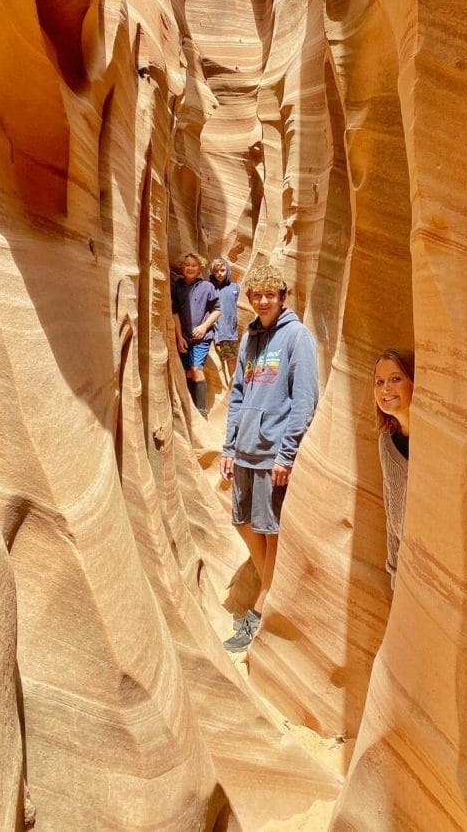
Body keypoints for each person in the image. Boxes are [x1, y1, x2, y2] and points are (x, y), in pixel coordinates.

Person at [219, 264, 318, 653]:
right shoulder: (250, 337)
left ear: (282, 296)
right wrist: (229, 446)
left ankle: (260, 610)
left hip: (272, 453)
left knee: (271, 532)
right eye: (256, 295)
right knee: (243, 522)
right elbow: (238, 394)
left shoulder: (297, 337)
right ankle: (271, 589)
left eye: (269, 294)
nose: (262, 300)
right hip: (244, 450)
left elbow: (305, 399)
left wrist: (287, 454)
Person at [373, 349, 415, 590]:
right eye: (380, 382)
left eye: (396, 379)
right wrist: (394, 570)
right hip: (405, 567)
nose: (386, 389)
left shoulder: (436, 442)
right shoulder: (386, 443)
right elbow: (391, 510)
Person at [172, 252, 220, 419]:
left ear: (199, 268)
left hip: (202, 338)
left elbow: (217, 311)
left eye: (194, 265)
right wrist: (179, 337)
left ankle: (201, 411)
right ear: (182, 267)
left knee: (196, 369)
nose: (190, 268)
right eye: (187, 265)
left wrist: (204, 327)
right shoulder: (176, 287)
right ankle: (189, 408)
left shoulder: (207, 287)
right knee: (185, 372)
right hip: (184, 337)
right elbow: (175, 314)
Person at [209, 257, 241, 383]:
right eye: (216, 271)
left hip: (231, 332)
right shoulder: (211, 289)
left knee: (232, 360)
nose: (219, 274)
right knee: (225, 362)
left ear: (228, 270)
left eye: (222, 270)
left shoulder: (235, 288)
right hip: (218, 332)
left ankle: (234, 386)